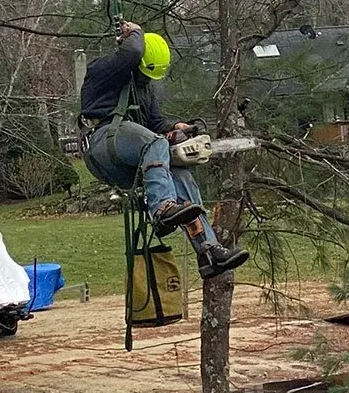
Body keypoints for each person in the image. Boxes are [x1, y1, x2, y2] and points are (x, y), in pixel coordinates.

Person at [79, 21, 249, 280]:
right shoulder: (104, 69)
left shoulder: (145, 90)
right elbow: (133, 51)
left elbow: (155, 124)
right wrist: (135, 32)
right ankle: (161, 209)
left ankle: (208, 250)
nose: (146, 79)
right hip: (102, 140)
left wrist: (175, 128)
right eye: (143, 74)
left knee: (181, 174)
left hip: (128, 155)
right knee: (154, 143)